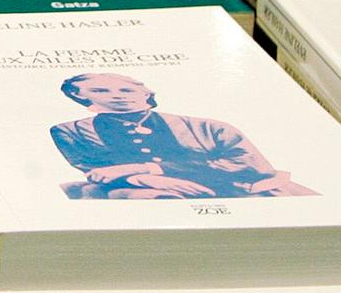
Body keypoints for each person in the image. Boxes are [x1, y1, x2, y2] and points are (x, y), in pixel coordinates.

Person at [48, 72, 315, 199]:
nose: (116, 96)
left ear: (145, 92)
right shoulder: (70, 131)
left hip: (239, 190)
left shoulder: (210, 127)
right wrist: (143, 178)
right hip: (137, 191)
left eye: (125, 90)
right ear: (79, 97)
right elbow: (97, 170)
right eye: (101, 92)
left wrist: (149, 167)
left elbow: (251, 166)